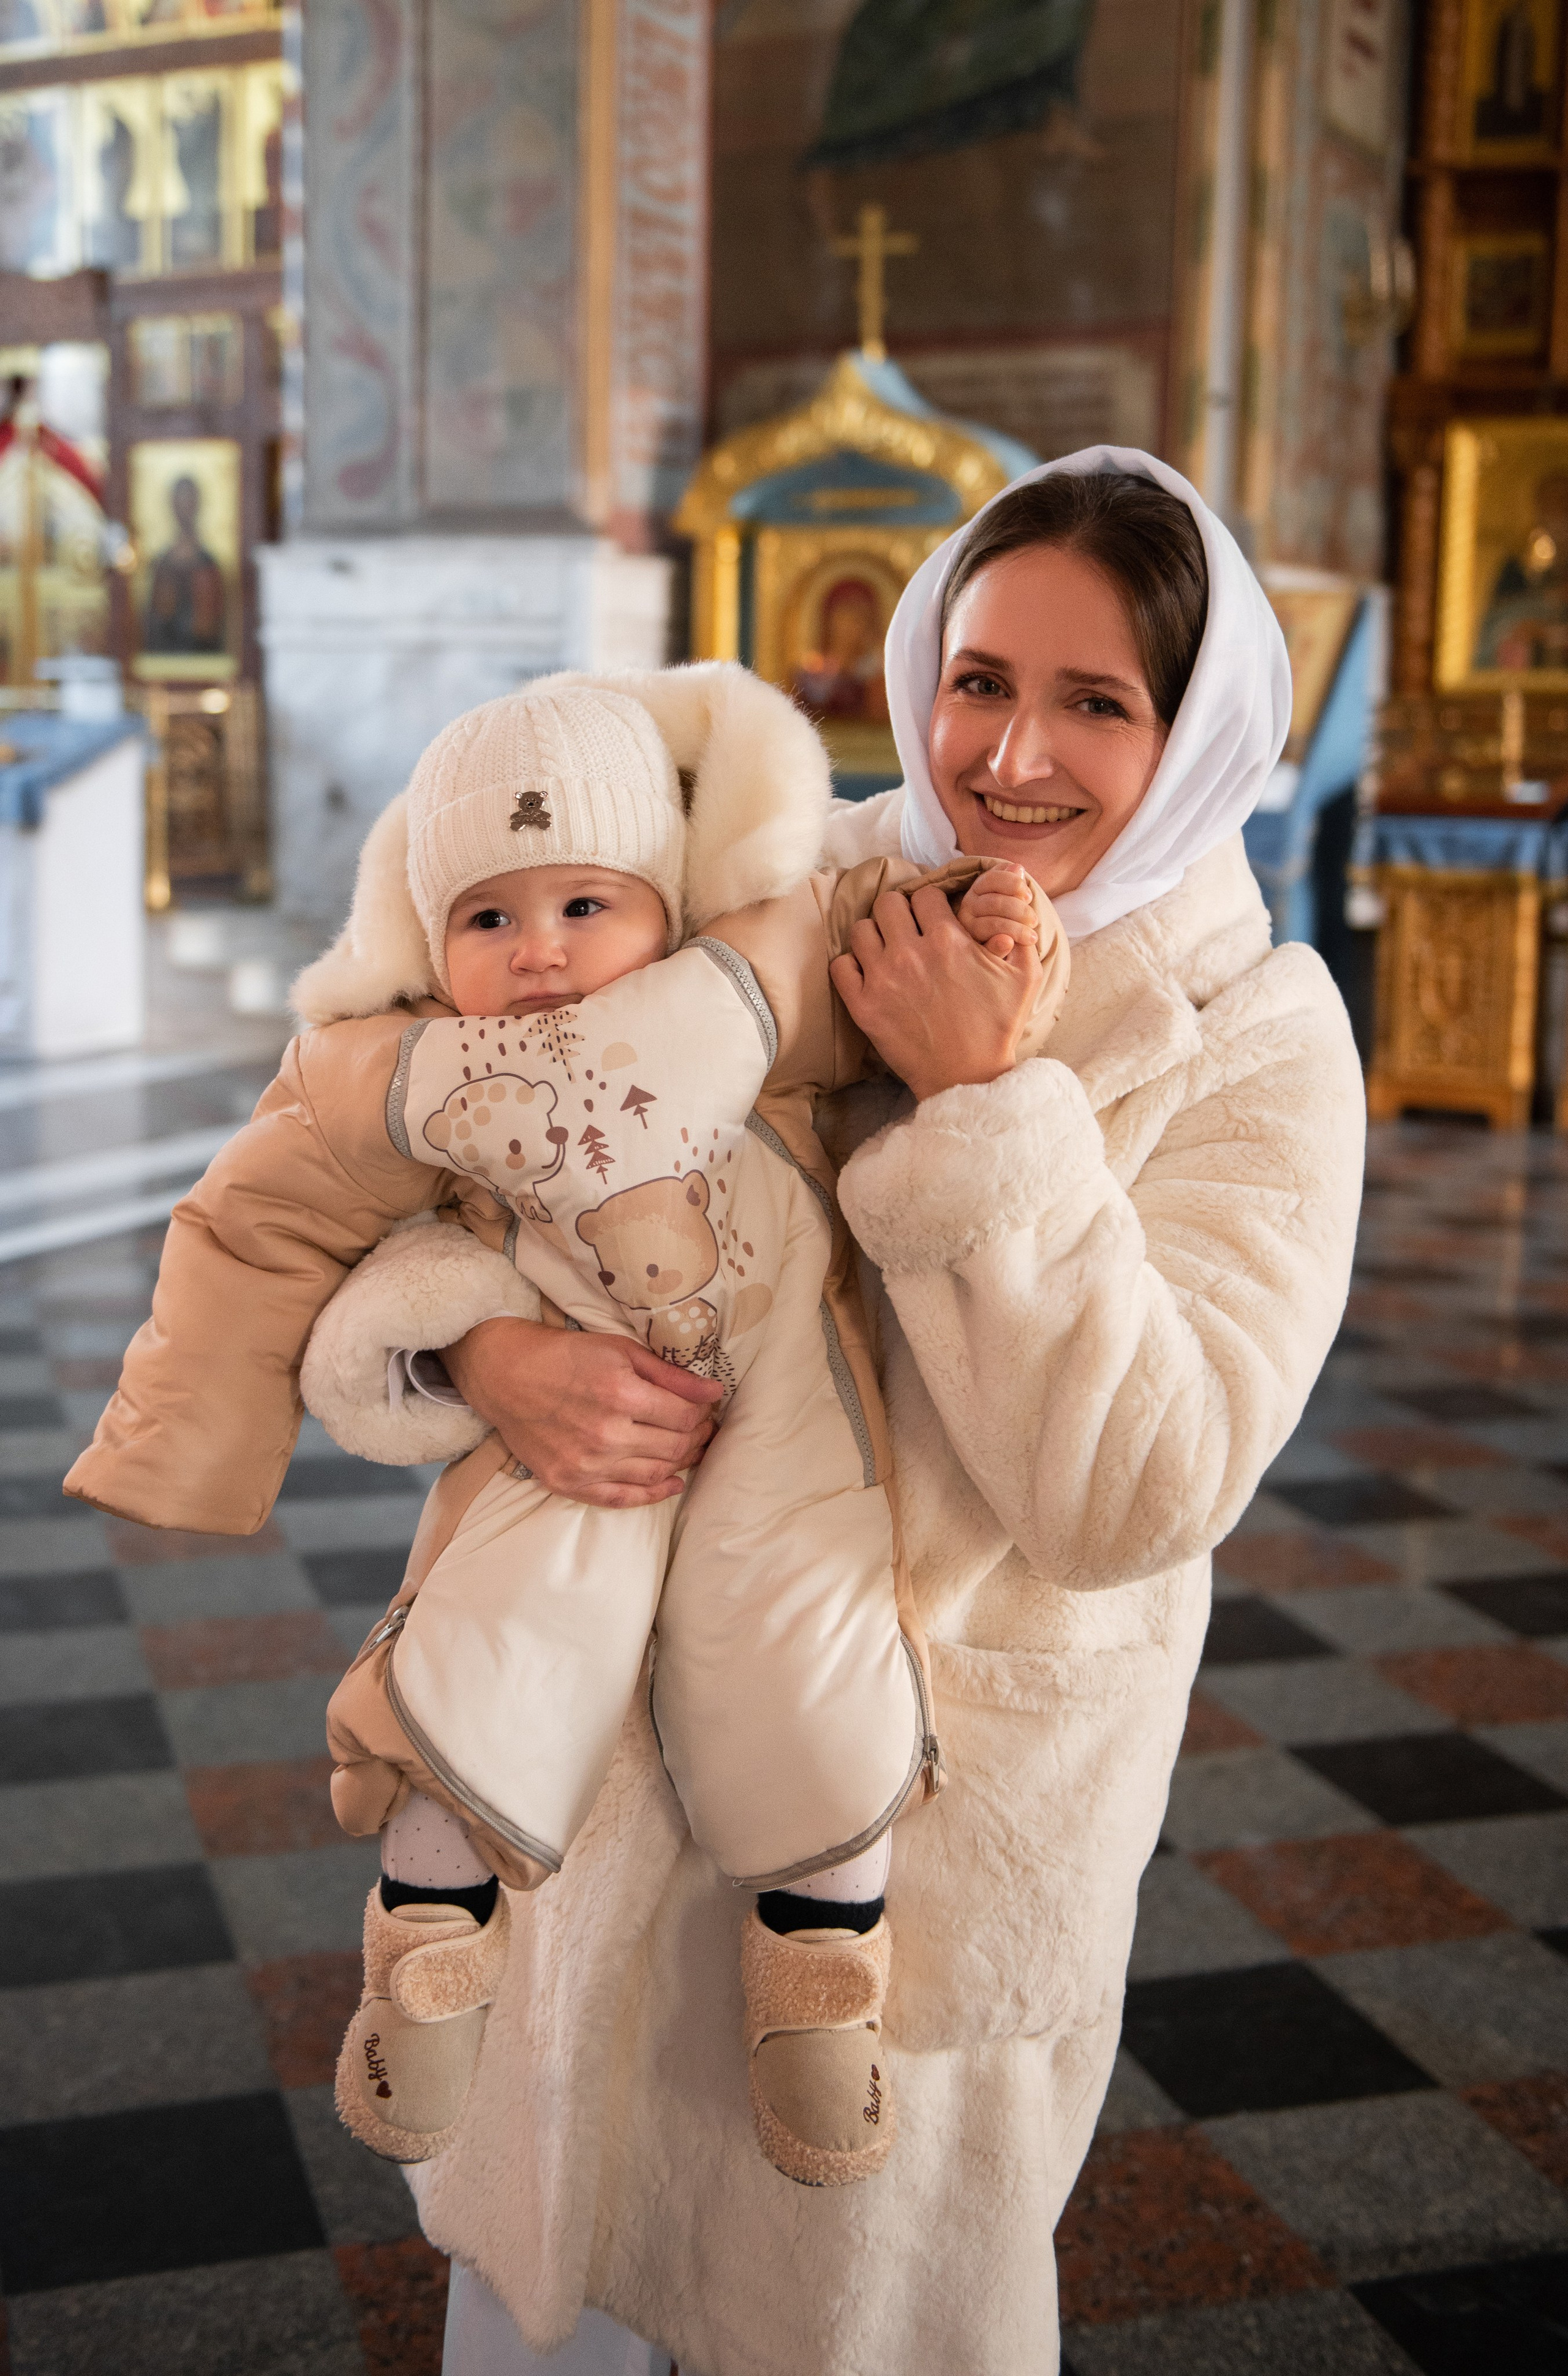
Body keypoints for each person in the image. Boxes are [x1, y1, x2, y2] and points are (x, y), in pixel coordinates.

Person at [301, 449, 1365, 2376]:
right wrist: (482, 1355)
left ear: (1197, 736)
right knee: (568, 2302)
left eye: (1097, 701)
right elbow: (479, 1112)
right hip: (622, 1755)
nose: (1012, 751)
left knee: (850, 2310)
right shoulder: (798, 899)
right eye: (980, 678)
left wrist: (981, 1114)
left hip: (921, 1842)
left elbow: (1146, 1487)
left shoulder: (1259, 1035)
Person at [63, 665, 1063, 2195]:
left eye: (586, 903)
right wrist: (174, 1434)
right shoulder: (407, 1075)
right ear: (429, 938)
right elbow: (251, 1223)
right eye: (487, 918)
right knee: (498, 1628)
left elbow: (888, 930)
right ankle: (426, 1957)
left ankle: (820, 1984)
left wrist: (986, 923)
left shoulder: (751, 985)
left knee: (807, 1640)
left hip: (784, 1405)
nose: (538, 952)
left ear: (665, 894)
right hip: (560, 1410)